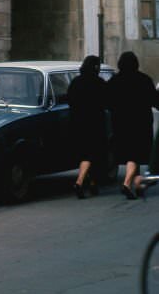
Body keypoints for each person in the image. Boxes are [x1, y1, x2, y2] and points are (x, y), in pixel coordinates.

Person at [108, 50, 159, 199]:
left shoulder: (114, 81)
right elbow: (155, 100)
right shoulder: (144, 80)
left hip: (120, 124)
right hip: (140, 124)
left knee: (130, 153)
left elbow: (107, 102)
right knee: (135, 154)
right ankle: (127, 182)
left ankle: (136, 185)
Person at [67, 55, 109, 198]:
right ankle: (80, 182)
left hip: (78, 123)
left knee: (85, 154)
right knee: (93, 154)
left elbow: (70, 101)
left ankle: (92, 183)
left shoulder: (75, 82)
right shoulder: (99, 83)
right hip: (94, 123)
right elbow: (106, 102)